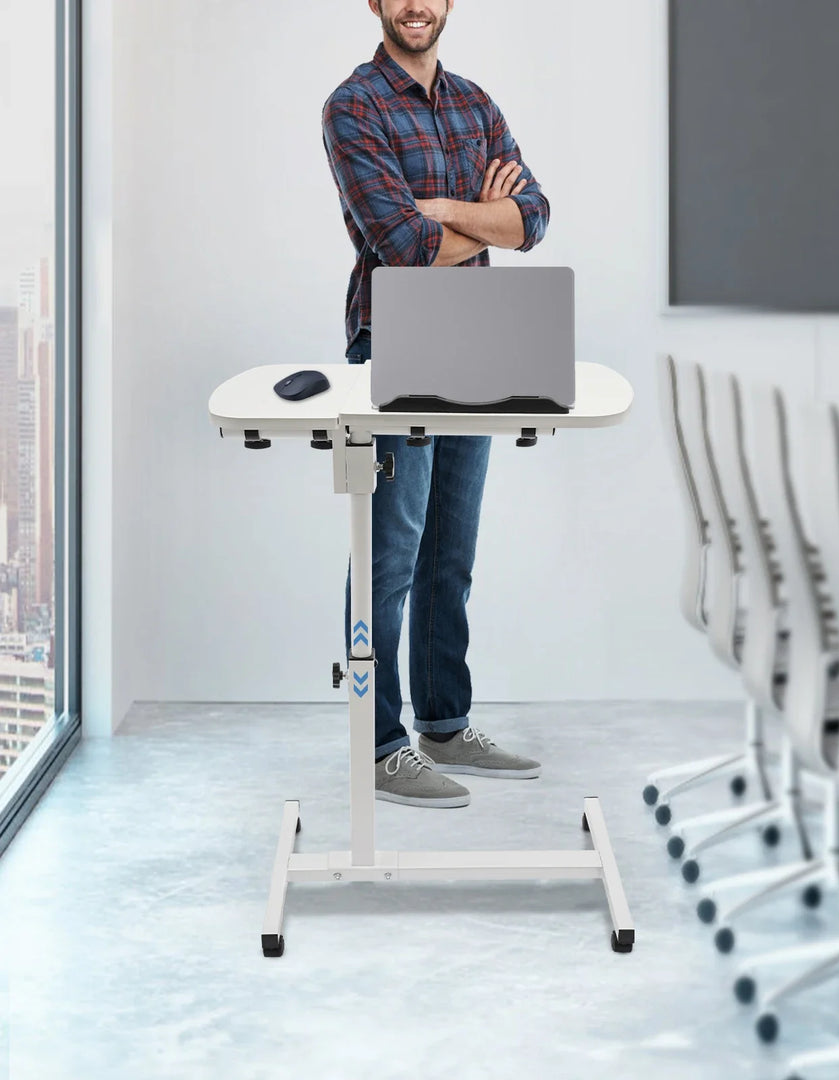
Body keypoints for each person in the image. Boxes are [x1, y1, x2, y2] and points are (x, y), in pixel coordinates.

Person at [322, 0, 551, 808]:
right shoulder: (354, 107)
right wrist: (481, 220)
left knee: (451, 554)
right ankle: (378, 743)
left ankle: (444, 724)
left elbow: (534, 219)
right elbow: (401, 246)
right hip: (391, 341)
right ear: (377, 4)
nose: (417, 5)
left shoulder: (475, 105)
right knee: (391, 554)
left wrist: (448, 210)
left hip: (477, 342)